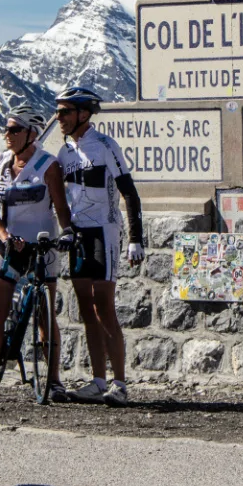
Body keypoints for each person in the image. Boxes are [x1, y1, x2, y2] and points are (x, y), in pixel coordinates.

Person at [0, 105, 74, 404]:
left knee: (46, 316)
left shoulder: (48, 165)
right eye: (6, 129)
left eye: (14, 130)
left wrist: (67, 231)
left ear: (31, 133)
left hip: (41, 247)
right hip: (7, 245)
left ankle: (54, 381)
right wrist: (5, 236)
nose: (7, 134)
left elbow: (60, 208)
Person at [54, 86, 145, 407]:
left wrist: (136, 238)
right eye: (57, 111)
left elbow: (129, 192)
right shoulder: (64, 153)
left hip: (104, 232)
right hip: (78, 235)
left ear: (83, 114)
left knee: (104, 306)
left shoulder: (106, 146)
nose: (59, 117)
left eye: (64, 112)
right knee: (86, 309)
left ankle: (119, 382)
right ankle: (97, 380)